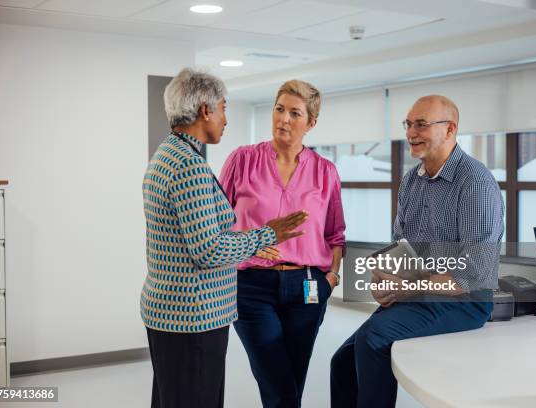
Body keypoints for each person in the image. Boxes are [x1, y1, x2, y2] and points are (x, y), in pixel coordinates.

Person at [140, 68, 308, 408]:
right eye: (223, 108)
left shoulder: (167, 155)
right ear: (205, 110)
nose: (225, 118)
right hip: (193, 317)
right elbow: (210, 249)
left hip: (170, 311)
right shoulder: (189, 167)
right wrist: (266, 234)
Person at [330, 95, 504, 408]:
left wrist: (408, 287)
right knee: (340, 363)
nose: (411, 132)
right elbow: (403, 246)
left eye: (421, 124)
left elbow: (472, 272)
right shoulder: (412, 180)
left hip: (465, 302)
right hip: (420, 294)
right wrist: (386, 282)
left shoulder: (475, 182)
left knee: (373, 340)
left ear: (450, 130)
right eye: (408, 124)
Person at [219, 79, 346, 408]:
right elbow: (216, 223)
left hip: (308, 286)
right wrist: (250, 243)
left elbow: (335, 233)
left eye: (294, 113)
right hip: (251, 287)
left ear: (311, 123)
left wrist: (331, 277)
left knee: (292, 378)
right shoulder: (243, 160)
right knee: (275, 378)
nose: (283, 119)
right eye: (279, 109)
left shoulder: (325, 171)